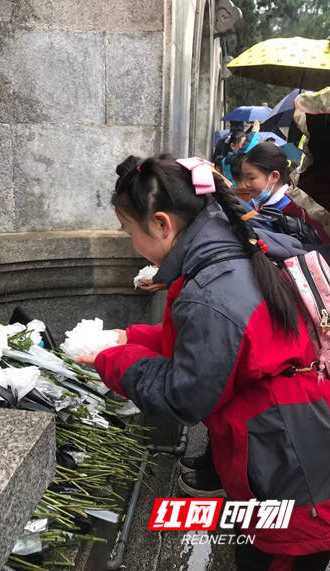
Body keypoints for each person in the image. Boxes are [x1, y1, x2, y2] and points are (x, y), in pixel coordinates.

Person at [76, 153, 330, 570]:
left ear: (162, 223)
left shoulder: (212, 289)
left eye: (130, 233)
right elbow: (225, 347)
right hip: (290, 438)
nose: (133, 245)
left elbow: (185, 396)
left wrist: (113, 359)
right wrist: (131, 336)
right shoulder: (230, 252)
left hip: (289, 467)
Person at [243, 142, 329, 245]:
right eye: (244, 177)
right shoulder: (253, 204)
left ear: (274, 176)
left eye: (251, 178)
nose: (245, 184)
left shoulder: (296, 208)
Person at [222, 120, 260, 187]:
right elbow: (244, 151)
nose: (244, 147)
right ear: (232, 146)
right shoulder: (228, 160)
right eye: (242, 145)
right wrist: (254, 132)